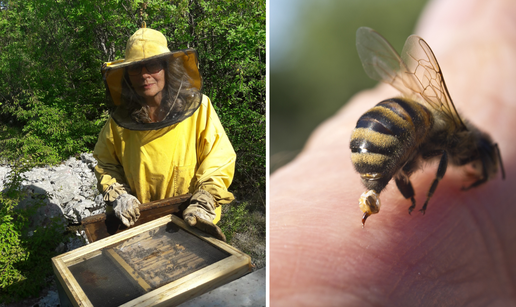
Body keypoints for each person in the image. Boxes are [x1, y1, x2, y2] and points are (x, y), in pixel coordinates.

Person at [270, 0, 516, 305]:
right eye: (478, 161)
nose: (474, 165)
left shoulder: (434, 127)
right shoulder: (455, 138)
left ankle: (380, 190)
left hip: (375, 129)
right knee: (411, 148)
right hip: (391, 130)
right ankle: (399, 193)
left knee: (407, 150)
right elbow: (432, 156)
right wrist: (425, 198)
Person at [93, 27, 235, 241]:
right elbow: (105, 164)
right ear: (127, 76)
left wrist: (204, 200)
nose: (144, 75)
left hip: (192, 219)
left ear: (167, 68)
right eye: (135, 68)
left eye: (152, 65)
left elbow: (219, 159)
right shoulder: (119, 122)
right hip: (141, 222)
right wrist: (119, 195)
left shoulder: (200, 109)